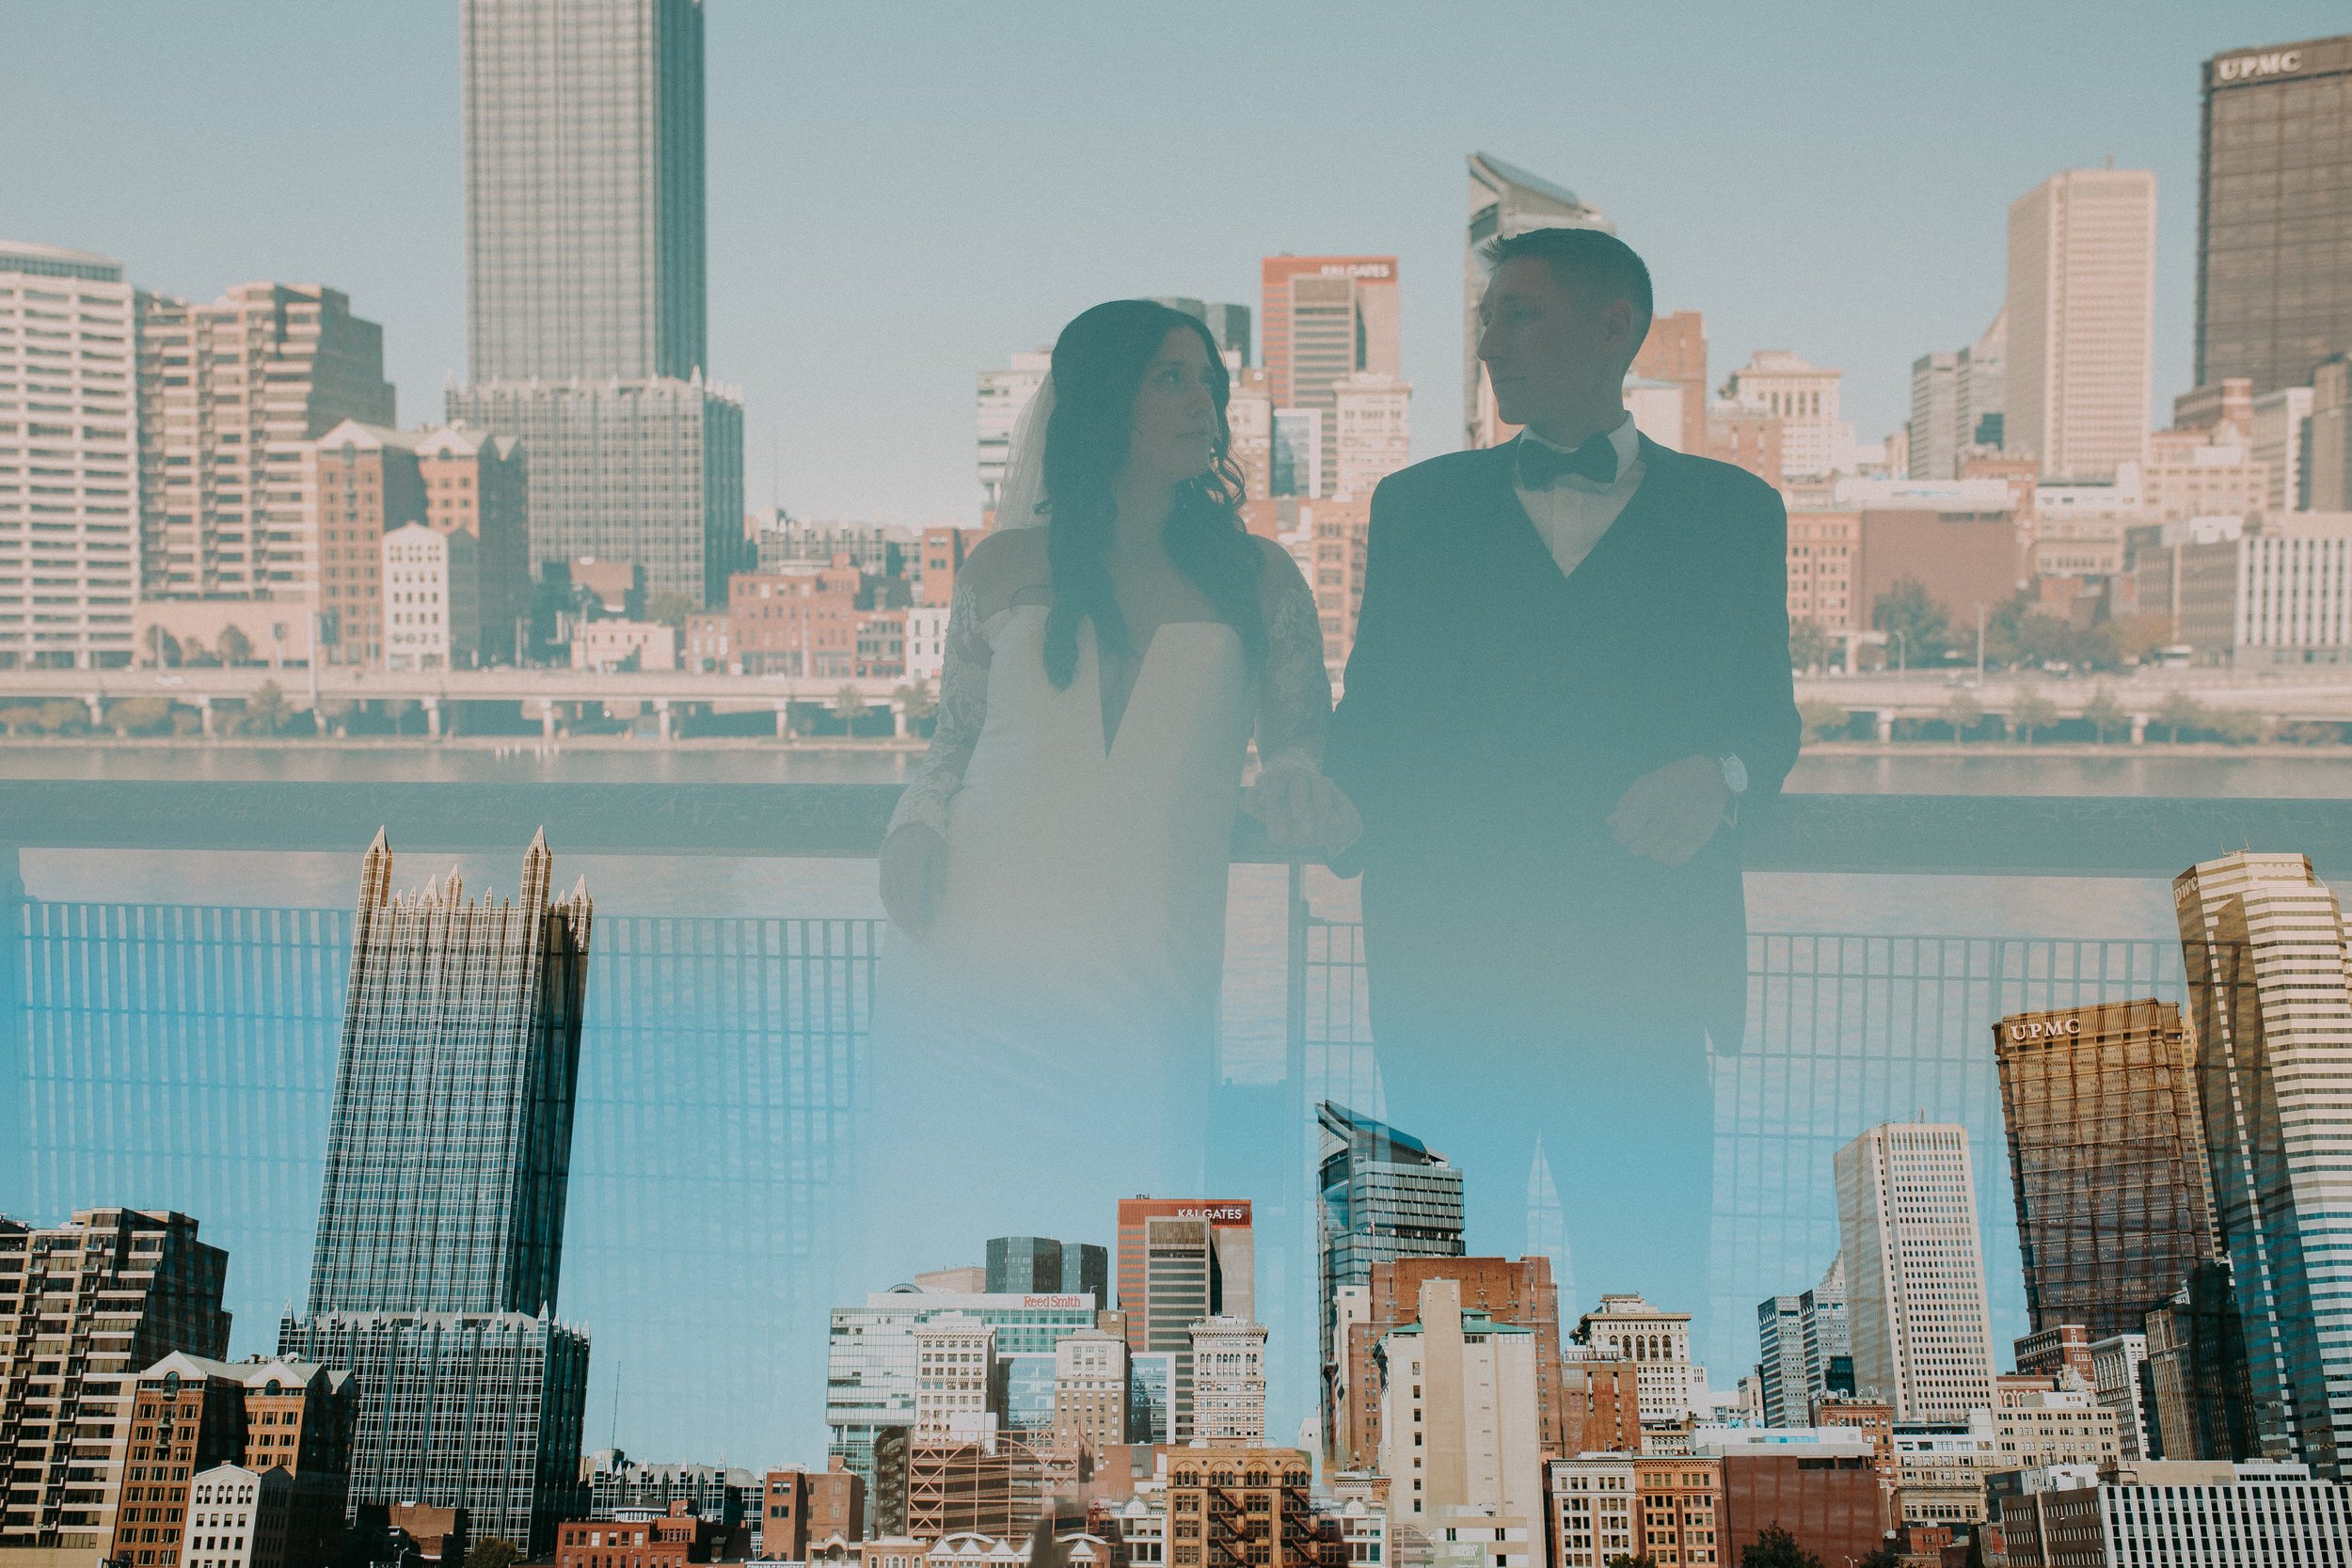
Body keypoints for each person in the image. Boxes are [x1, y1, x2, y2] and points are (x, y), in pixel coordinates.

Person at [1324, 229, 1799, 1320]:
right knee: (1437, 1331)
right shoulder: (1416, 506)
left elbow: (1767, 724)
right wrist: (1322, 796)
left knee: (1652, 1317)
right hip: (1449, 986)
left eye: (1516, 314)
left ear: (1614, 326)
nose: (1488, 342)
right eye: (1486, 319)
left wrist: (1718, 774)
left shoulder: (1736, 513)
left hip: (1643, 992)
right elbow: (1373, 716)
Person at [860, 299, 1359, 1285]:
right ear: (1099, 403)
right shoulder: (1001, 568)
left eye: (1207, 379)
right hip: (976, 955)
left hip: (1149, 964)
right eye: (1168, 377)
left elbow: (1300, 742)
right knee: (961, 1243)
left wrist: (1297, 783)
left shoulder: (1260, 578)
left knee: (1136, 1254)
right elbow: (952, 740)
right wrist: (912, 825)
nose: (1201, 399)